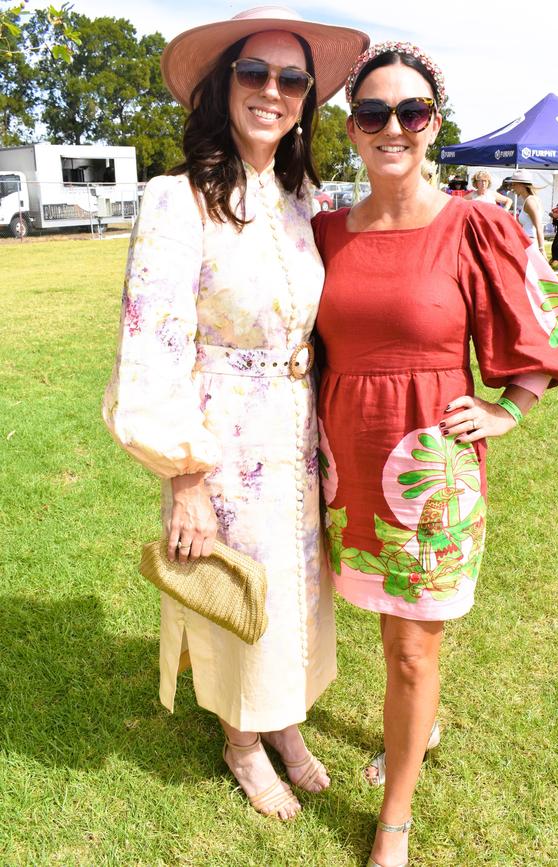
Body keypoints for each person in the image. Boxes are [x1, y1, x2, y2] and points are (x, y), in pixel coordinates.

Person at [312, 42, 558, 867]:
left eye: (411, 111)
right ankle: (420, 722)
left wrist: (512, 406)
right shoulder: (325, 230)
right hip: (349, 463)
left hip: (430, 466)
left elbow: (547, 320)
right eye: (374, 113)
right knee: (388, 625)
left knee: (412, 645)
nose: (392, 127)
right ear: (354, 128)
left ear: (434, 123)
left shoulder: (476, 223)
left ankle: (394, 818)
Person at [102, 6, 368, 820]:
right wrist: (186, 475)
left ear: (304, 102)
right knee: (235, 583)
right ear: (223, 88)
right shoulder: (176, 199)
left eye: (292, 80)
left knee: (296, 588)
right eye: (255, 73)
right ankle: (242, 740)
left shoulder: (299, 198)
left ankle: (282, 720)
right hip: (224, 436)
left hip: (298, 429)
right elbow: (152, 345)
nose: (273, 91)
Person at [508, 169, 545, 255]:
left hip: (530, 244)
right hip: (527, 242)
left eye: (514, 184)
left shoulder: (530, 202)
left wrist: (541, 249)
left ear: (522, 185)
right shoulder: (531, 200)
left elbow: (538, 227)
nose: (512, 188)